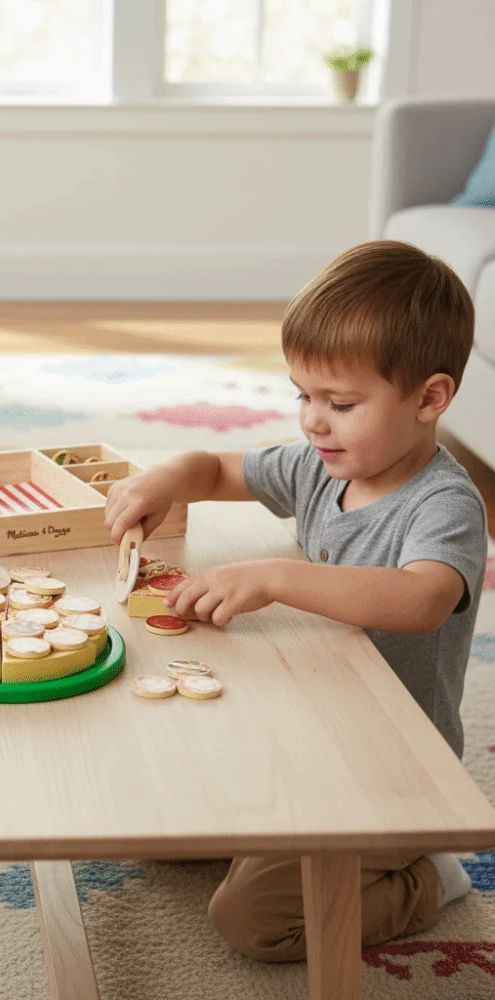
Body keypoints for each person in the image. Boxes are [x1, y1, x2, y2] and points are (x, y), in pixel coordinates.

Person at [105, 240, 487, 960]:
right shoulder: (323, 463)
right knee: (155, 821)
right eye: (303, 395)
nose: (313, 421)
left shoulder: (444, 503)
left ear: (430, 398)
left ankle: (429, 875)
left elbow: (421, 599)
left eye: (341, 403)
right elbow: (217, 466)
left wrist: (277, 577)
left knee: (251, 921)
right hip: (305, 732)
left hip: (392, 769)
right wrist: (166, 479)